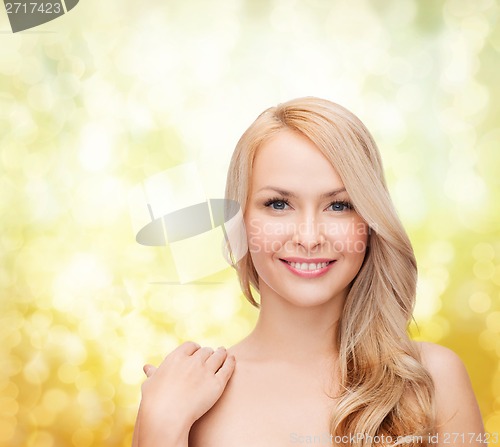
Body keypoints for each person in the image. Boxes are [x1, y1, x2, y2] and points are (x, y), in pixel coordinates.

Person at [132, 97, 485, 447]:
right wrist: (159, 428)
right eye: (279, 204)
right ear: (240, 223)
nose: (309, 237)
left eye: (339, 205)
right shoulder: (185, 398)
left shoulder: (433, 380)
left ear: (369, 222)